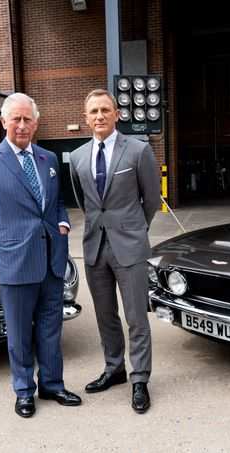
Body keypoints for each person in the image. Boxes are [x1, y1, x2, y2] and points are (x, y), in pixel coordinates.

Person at [0, 92, 81, 418]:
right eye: (15, 119)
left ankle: (52, 385)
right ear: (4, 122)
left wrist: (62, 221)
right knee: (19, 333)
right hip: (13, 262)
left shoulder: (47, 159)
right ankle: (24, 391)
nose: (21, 125)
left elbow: (57, 201)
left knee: (51, 327)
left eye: (27, 119)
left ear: (36, 122)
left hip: (51, 259)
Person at [69, 89, 160, 414]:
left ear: (116, 114)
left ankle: (139, 379)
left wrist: (135, 231)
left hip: (130, 246)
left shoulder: (138, 151)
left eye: (105, 110)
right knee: (105, 315)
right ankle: (114, 369)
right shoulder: (78, 157)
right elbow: (85, 203)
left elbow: (151, 201)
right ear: (86, 117)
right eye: (93, 111)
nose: (99, 116)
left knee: (136, 317)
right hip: (94, 247)